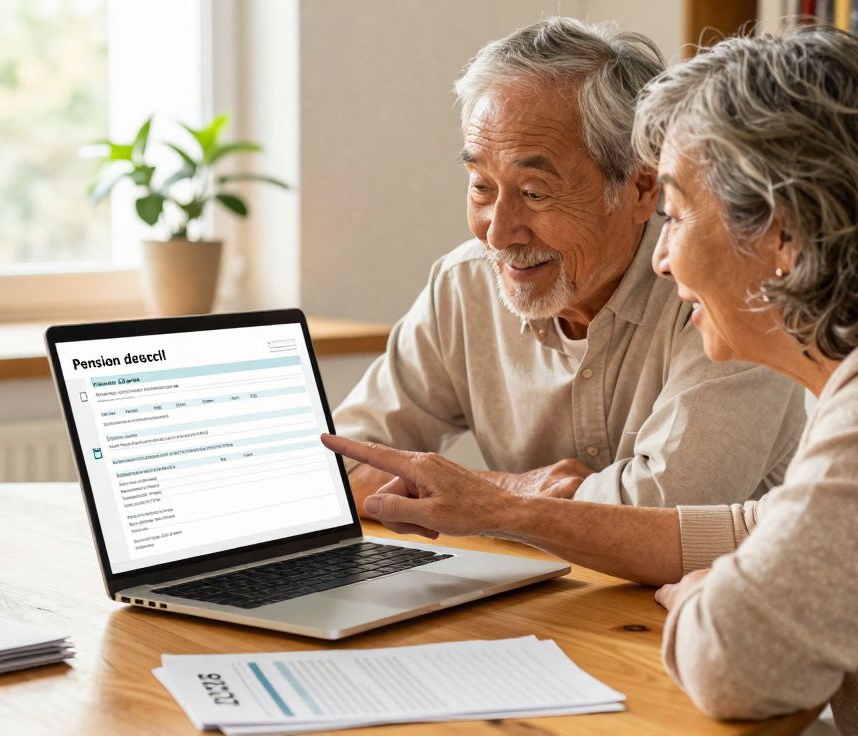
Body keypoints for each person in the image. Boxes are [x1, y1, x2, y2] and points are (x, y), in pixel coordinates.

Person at [323, 25, 858, 734]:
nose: (661, 257)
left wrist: (703, 593)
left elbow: (738, 662)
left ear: (783, 235)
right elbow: (760, 531)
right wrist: (516, 506)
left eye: (676, 214)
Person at [335, 17, 805, 519]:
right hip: (536, 592)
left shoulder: (719, 287)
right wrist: (510, 488)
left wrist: (477, 500)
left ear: (642, 188)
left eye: (535, 193)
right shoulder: (464, 285)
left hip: (693, 593)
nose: (497, 235)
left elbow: (666, 512)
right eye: (481, 187)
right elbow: (341, 463)